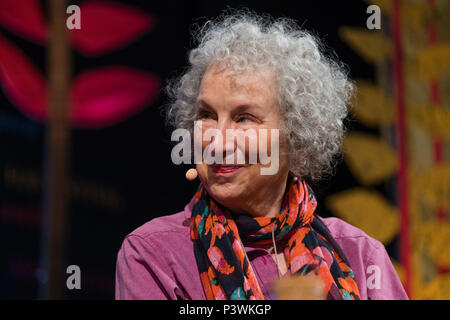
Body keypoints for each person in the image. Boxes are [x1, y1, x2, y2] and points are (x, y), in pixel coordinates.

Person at [115, 12, 408, 300]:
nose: (218, 141)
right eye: (206, 115)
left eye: (244, 118)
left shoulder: (360, 255)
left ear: (294, 134)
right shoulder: (153, 253)